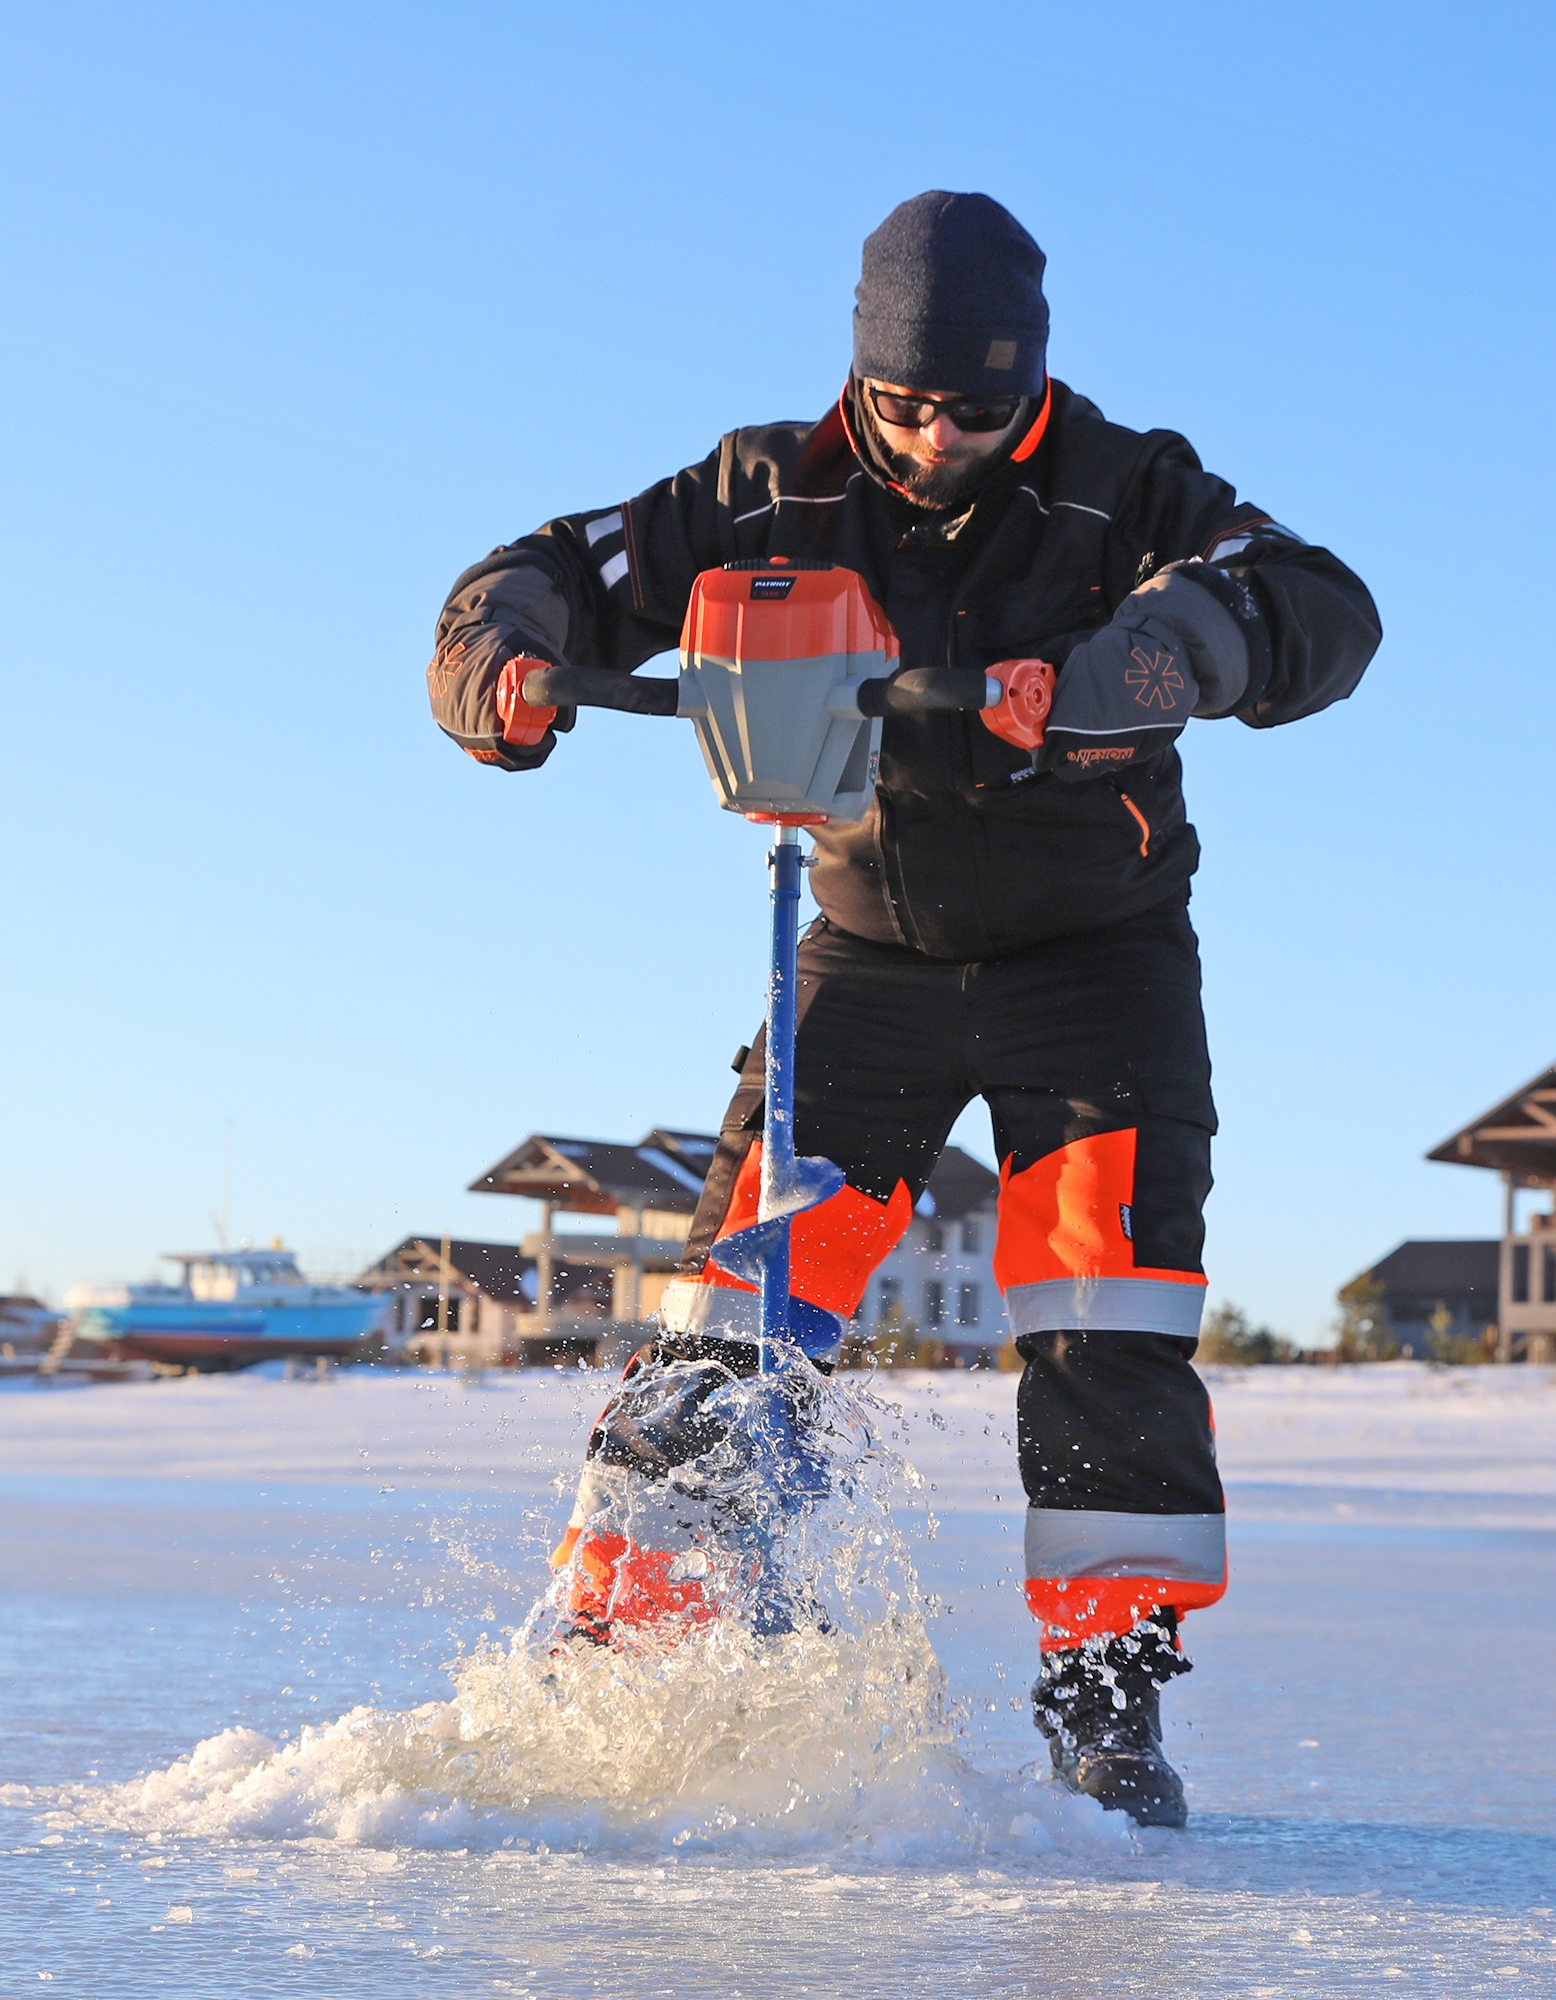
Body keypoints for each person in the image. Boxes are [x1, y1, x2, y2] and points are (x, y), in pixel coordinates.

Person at [428, 191, 1380, 1826]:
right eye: (909, 402)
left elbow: (1318, 603)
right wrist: (497, 668)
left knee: (1108, 1329)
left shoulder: (1127, 485)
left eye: (980, 407)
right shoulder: (765, 487)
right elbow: (537, 575)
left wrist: (1159, 656)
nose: (940, 435)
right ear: (860, 374)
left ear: (1035, 383)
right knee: (736, 1323)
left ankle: (1106, 1709)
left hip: (1097, 967)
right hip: (859, 963)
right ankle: (629, 1661)